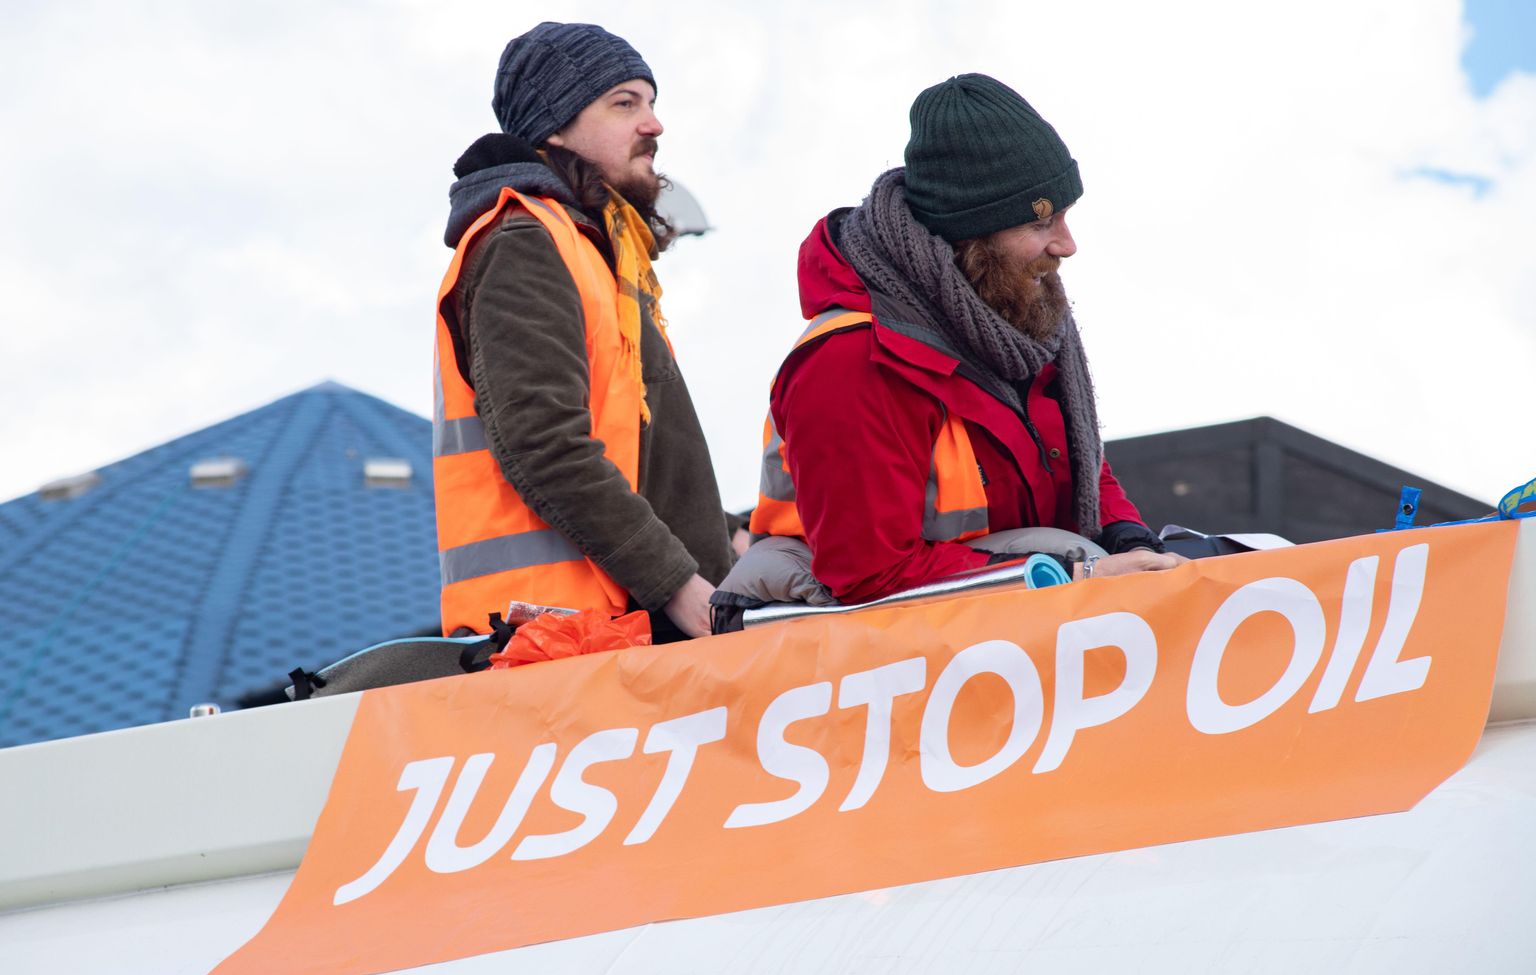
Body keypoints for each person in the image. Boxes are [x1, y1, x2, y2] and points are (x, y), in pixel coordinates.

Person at [749, 74, 1184, 604]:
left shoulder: (1004, 310)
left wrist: (1128, 539)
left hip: (975, 630)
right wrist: (1082, 577)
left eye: (1067, 216)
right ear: (972, 231)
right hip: (833, 651)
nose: (1068, 245)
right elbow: (870, 578)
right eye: (1042, 223)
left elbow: (1074, 459)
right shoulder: (852, 362)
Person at [433, 22, 734, 640]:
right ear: (553, 127)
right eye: (625, 103)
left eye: (652, 103)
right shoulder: (525, 242)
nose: (654, 124)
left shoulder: (602, 255)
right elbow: (544, 444)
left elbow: (642, 460)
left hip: (606, 636)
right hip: (567, 647)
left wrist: (731, 536)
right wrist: (679, 585)